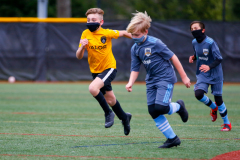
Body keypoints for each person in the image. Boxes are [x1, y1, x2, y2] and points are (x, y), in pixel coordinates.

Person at [125, 11, 191, 148]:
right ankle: (172, 139)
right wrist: (130, 82)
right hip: (151, 80)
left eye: (137, 35)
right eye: (132, 35)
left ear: (145, 32)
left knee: (161, 107)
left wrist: (184, 77)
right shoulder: (134, 48)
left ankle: (179, 106)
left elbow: (173, 57)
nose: (134, 37)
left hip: (165, 78)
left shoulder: (156, 43)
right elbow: (135, 68)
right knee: (153, 111)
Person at [76, 8, 132, 135]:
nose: (90, 22)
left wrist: (140, 39)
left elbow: (123, 33)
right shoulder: (85, 33)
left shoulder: (107, 33)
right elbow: (78, 56)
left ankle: (108, 113)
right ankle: (125, 117)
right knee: (111, 100)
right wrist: (82, 47)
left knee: (92, 88)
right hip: (96, 71)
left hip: (109, 68)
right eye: (88, 20)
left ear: (101, 22)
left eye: (93, 20)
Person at [189, 21, 231, 131]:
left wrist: (209, 67)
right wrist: (194, 57)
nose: (194, 30)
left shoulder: (210, 42)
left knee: (219, 99)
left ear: (203, 30)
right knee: (198, 94)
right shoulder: (194, 42)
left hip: (215, 74)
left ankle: (227, 123)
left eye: (196, 28)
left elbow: (219, 58)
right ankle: (214, 107)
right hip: (203, 73)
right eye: (192, 29)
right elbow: (198, 54)